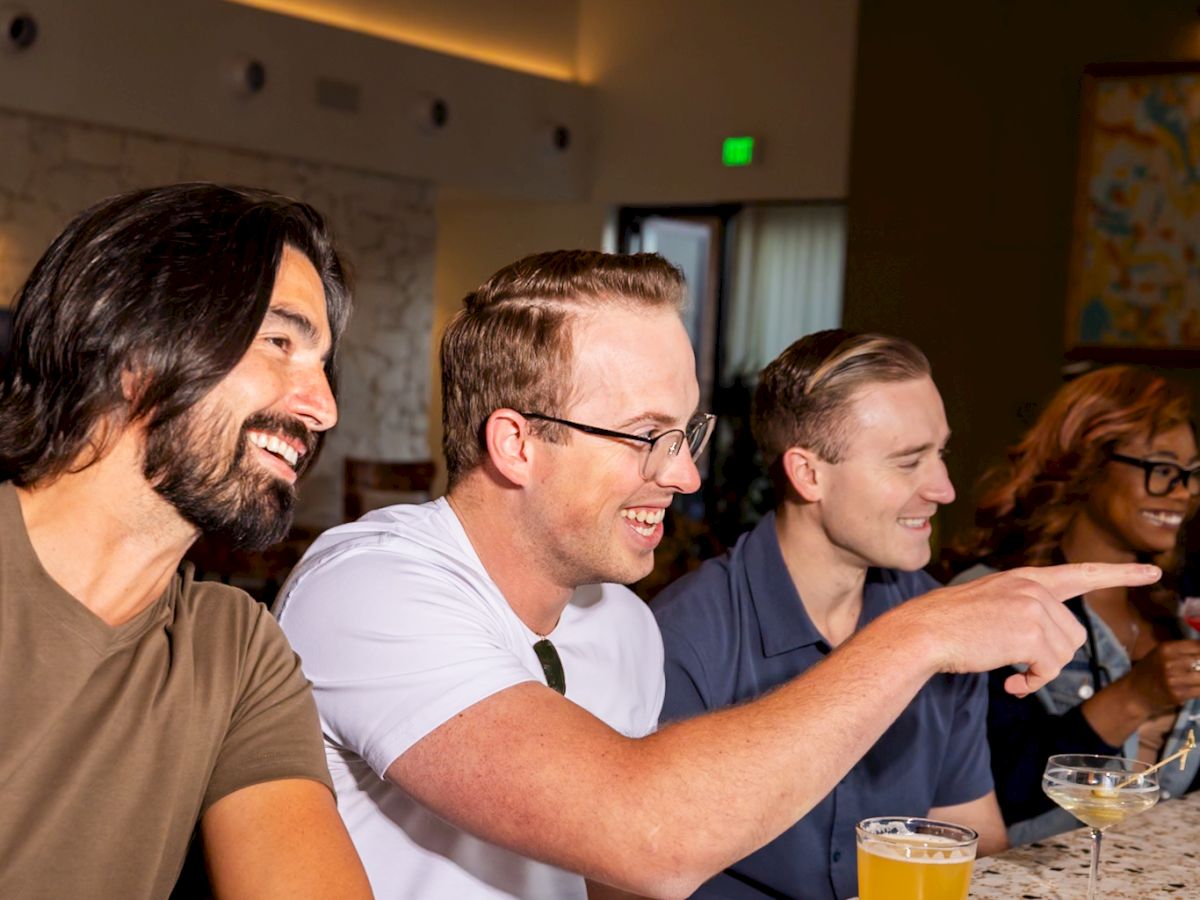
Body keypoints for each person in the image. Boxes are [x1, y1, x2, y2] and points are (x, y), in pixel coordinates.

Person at [276, 250, 1158, 900]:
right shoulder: (371, 583)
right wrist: (922, 633)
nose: (687, 476)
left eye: (687, 435)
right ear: (516, 443)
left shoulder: (617, 624)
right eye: (646, 436)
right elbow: (646, 832)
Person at [0, 183, 372, 899]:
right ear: (135, 343)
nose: (323, 408)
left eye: (323, 365)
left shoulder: (233, 653)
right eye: (280, 342)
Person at [652, 329, 1004, 899]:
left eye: (941, 453)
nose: (943, 488)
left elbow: (976, 839)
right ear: (808, 474)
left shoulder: (941, 621)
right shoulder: (683, 637)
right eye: (909, 462)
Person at [951, 365, 1200, 844]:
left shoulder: (1173, 611)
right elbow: (988, 799)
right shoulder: (992, 600)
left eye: (1191, 474)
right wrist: (1133, 698)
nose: (1184, 491)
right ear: (1088, 461)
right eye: (1163, 468)